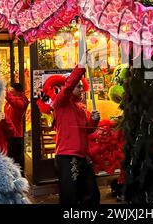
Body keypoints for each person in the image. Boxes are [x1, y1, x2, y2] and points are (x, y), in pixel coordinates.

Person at [53, 51, 101, 205]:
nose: (81, 89)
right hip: (67, 156)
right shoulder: (60, 102)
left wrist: (94, 121)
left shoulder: (80, 108)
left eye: (81, 87)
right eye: (78, 86)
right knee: (70, 196)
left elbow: (87, 129)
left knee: (91, 193)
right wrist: (81, 66)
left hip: (82, 156)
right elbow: (69, 86)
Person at [5, 82, 29, 172]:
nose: (10, 93)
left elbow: (13, 102)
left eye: (12, 91)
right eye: (9, 91)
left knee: (17, 160)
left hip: (16, 135)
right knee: (10, 159)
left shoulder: (21, 102)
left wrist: (4, 91)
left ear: (19, 92)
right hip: (8, 134)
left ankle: (20, 179)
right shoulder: (10, 102)